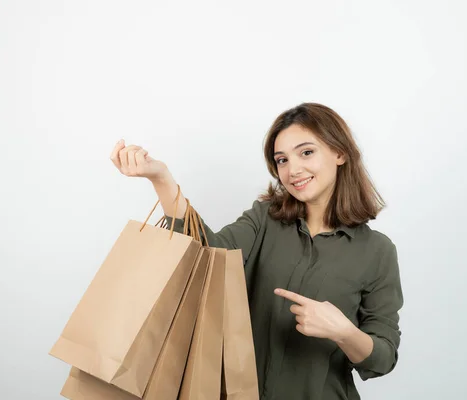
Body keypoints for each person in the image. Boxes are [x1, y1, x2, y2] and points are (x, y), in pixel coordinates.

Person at [110, 102, 403, 400]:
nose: (293, 170)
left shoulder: (377, 251)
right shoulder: (264, 219)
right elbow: (207, 254)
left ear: (339, 153)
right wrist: (161, 178)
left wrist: (343, 331)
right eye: (282, 160)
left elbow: (383, 359)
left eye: (306, 152)